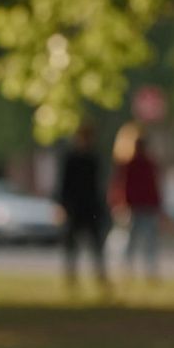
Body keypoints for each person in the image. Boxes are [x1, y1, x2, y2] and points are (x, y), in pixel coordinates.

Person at [55, 124, 109, 290]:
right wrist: (62, 206)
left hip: (90, 208)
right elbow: (64, 186)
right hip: (75, 208)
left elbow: (97, 187)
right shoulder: (72, 159)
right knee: (72, 246)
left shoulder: (93, 159)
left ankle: (99, 278)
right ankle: (71, 278)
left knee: (96, 246)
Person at [112, 135, 165, 282]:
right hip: (137, 207)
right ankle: (131, 270)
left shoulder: (144, 164)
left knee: (146, 241)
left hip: (144, 207)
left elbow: (153, 186)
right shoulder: (134, 165)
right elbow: (125, 186)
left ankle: (148, 271)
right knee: (136, 240)